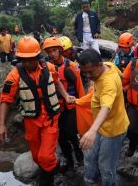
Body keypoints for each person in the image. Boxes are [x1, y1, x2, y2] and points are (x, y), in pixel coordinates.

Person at [0, 36, 76, 186]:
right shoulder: (14, 75)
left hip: (51, 119)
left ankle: (48, 180)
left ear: (38, 56)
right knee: (37, 156)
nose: (27, 63)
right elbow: (6, 99)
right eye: (23, 59)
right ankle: (53, 166)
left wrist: (66, 96)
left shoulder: (49, 68)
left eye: (31, 59)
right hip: (31, 120)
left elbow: (57, 82)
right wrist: (1, 125)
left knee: (45, 157)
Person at [77, 49, 129, 186]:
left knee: (106, 166)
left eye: (90, 72)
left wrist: (92, 131)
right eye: (84, 72)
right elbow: (121, 75)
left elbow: (106, 108)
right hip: (100, 126)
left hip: (113, 130)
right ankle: (91, 181)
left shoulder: (109, 83)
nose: (88, 76)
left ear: (99, 65)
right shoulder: (108, 65)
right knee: (89, 156)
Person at [43, 37, 85, 174]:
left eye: (54, 50)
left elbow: (79, 87)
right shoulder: (45, 68)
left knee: (72, 134)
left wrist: (82, 105)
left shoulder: (72, 66)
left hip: (71, 107)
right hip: (55, 108)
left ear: (60, 50)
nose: (52, 54)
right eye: (49, 52)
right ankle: (69, 162)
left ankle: (79, 153)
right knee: (60, 137)